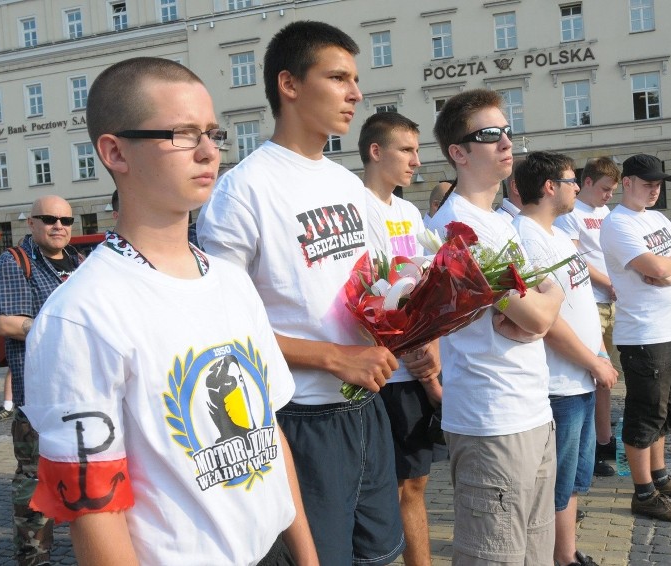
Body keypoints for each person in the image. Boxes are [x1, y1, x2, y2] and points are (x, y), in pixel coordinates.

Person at [20, 57, 316, 565]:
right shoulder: (82, 314)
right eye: (181, 134)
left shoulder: (231, 280)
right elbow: (94, 510)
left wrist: (307, 556)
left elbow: (269, 435)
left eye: (212, 133)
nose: (208, 151)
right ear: (115, 151)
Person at [197, 21, 404, 564]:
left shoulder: (344, 183)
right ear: (289, 84)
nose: (355, 93)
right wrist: (334, 357)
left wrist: (414, 331)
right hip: (299, 417)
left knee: (379, 554)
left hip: (368, 406)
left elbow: (380, 284)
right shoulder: (243, 191)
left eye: (355, 79)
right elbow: (217, 323)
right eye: (338, 77)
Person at [425, 89, 564, 563]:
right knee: (495, 556)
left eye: (508, 131)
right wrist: (537, 306)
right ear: (458, 153)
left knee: (535, 554)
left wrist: (538, 305)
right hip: (492, 419)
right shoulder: (459, 231)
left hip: (531, 407)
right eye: (489, 134)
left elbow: (552, 293)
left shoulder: (502, 219)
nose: (507, 142)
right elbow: (540, 313)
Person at [512, 151, 617, 566]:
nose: (579, 187)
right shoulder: (526, 235)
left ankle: (565, 553)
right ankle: (557, 556)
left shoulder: (556, 234)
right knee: (556, 484)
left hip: (582, 376)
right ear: (550, 187)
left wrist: (599, 353)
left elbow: (578, 304)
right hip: (561, 382)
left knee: (574, 479)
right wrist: (592, 362)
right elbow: (547, 322)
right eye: (573, 181)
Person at [358, 111, 442, 566]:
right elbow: (361, 291)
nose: (416, 160)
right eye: (407, 150)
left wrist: (432, 342)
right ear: (376, 151)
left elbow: (424, 286)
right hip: (375, 372)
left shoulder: (409, 212)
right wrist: (405, 342)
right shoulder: (353, 206)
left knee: (415, 482)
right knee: (381, 488)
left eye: (416, 150)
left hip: (413, 367)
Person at [600, 154, 671, 523]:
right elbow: (658, 265)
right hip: (644, 333)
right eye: (647, 183)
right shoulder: (617, 223)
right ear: (626, 183)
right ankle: (642, 492)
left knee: (668, 411)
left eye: (658, 183)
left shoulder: (656, 218)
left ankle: (659, 477)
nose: (655, 189)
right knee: (644, 414)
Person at [0, 195, 83, 565]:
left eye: (65, 220)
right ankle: (33, 556)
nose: (58, 225)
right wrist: (63, 328)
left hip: (81, 392)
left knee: (84, 477)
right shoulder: (15, 263)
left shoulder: (79, 262)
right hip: (39, 397)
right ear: (31, 222)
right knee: (35, 479)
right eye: (49, 218)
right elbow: (8, 323)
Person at [554, 156, 623, 478]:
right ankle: (589, 446)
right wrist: (608, 282)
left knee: (606, 376)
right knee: (592, 373)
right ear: (588, 183)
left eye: (613, 190)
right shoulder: (572, 215)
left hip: (611, 301)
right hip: (590, 302)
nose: (609, 195)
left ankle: (603, 437)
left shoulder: (605, 213)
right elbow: (576, 258)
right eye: (605, 189)